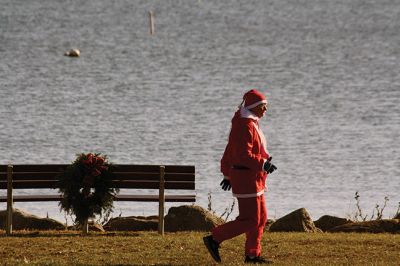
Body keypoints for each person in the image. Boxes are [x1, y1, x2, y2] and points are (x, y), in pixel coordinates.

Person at [203, 89, 277, 264]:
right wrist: (263, 164)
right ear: (253, 106)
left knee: (261, 218)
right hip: (246, 178)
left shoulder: (250, 122)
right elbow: (241, 155)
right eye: (263, 106)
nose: (265, 110)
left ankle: (252, 255)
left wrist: (227, 174)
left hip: (254, 177)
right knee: (250, 220)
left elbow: (229, 150)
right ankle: (214, 238)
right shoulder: (244, 125)